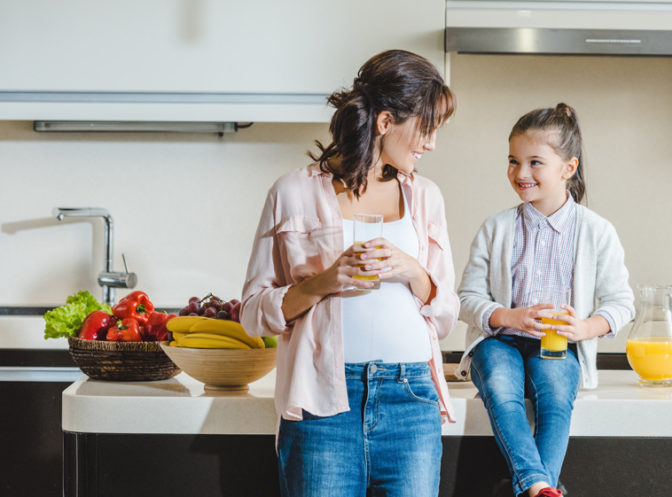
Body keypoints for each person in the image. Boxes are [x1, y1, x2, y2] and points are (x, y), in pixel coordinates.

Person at [239, 49, 458, 497]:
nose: (431, 143)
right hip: (323, 401)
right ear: (384, 122)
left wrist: (413, 270)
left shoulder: (426, 197)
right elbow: (251, 314)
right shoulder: (292, 192)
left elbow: (446, 314)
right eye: (426, 127)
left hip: (411, 396)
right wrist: (324, 282)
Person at [455, 103, 635, 497]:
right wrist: (509, 316)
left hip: (556, 346)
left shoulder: (597, 231)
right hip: (497, 341)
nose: (521, 173)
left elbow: (622, 303)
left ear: (568, 168)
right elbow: (466, 298)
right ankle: (541, 486)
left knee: (555, 399)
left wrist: (586, 327)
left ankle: (535, 487)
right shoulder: (496, 228)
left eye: (535, 162)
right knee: (501, 389)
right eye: (513, 161)